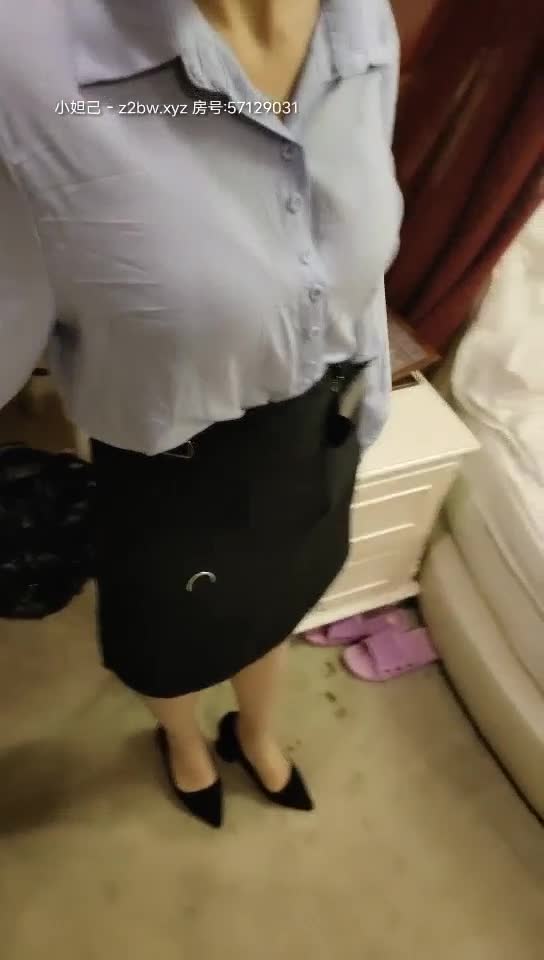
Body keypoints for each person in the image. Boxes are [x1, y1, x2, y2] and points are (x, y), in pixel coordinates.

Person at [0, 0, 403, 829]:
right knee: (172, 640)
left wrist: (370, 401)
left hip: (317, 432)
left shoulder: (362, 17)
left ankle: (255, 730)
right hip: (174, 465)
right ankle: (181, 739)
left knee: (276, 606)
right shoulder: (25, 57)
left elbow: (350, 255)